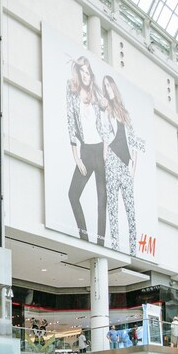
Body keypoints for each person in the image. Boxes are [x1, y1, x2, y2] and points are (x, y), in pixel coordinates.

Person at [66, 56, 111, 245]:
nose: (85, 75)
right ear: (78, 73)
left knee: (102, 200)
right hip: (85, 151)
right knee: (73, 195)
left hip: (100, 149)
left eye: (88, 71)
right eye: (82, 71)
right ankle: (84, 239)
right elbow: (70, 123)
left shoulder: (96, 93)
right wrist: (76, 157)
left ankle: (100, 244)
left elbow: (105, 110)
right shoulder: (72, 92)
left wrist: (106, 148)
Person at [102, 75, 144, 254]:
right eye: (105, 87)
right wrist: (105, 161)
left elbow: (134, 142)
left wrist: (133, 169)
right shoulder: (106, 112)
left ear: (114, 87)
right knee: (113, 209)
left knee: (130, 211)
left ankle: (133, 250)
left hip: (125, 164)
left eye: (109, 86)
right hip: (111, 160)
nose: (108, 90)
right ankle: (115, 249)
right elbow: (105, 137)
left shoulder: (125, 114)